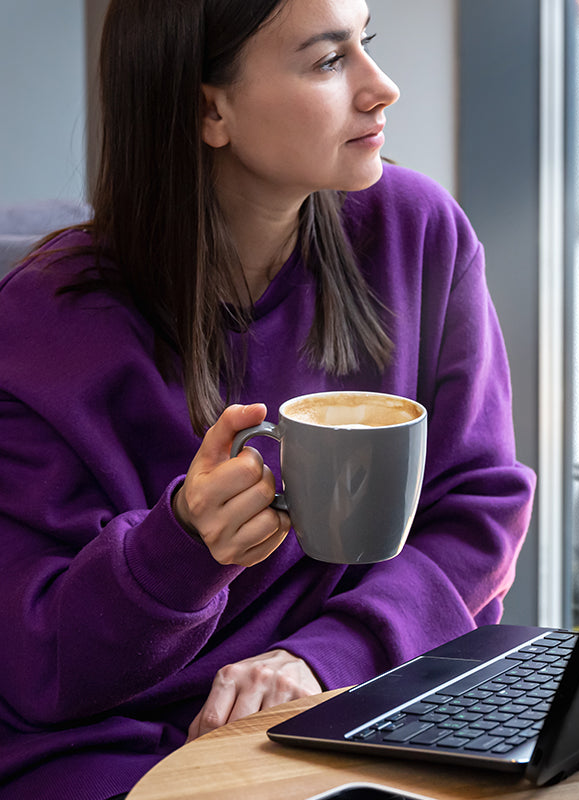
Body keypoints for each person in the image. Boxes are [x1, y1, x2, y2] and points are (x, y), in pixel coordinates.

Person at [0, 0, 535, 797]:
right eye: (328, 61)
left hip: (362, 701)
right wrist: (179, 549)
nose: (381, 87)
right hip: (136, 747)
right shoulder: (43, 323)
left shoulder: (419, 232)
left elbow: (481, 508)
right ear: (208, 108)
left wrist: (325, 657)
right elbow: (37, 668)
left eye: (368, 44)